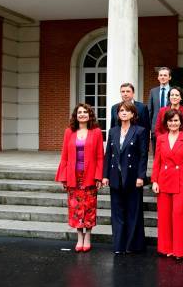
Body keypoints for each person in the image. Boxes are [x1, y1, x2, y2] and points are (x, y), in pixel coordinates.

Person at [55, 103, 103, 252]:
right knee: (75, 208)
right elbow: (64, 156)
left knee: (89, 208)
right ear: (76, 116)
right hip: (73, 176)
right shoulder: (69, 132)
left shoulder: (96, 132)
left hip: (89, 176)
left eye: (85, 112)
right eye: (79, 112)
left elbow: (100, 157)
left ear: (90, 115)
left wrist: (98, 177)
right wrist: (63, 177)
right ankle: (79, 237)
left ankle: (87, 237)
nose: (82, 114)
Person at [102, 101, 148, 254]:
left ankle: (132, 246)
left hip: (133, 177)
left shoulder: (140, 131)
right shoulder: (113, 131)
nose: (123, 113)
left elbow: (143, 156)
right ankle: (119, 246)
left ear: (133, 114)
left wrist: (141, 176)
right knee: (117, 213)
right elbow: (108, 155)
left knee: (133, 212)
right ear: (118, 114)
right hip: (115, 177)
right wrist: (105, 175)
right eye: (121, 110)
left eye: (127, 111)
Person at [152, 109, 183, 260]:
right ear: (166, 123)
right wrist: (154, 181)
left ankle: (179, 250)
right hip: (163, 179)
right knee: (164, 217)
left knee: (179, 215)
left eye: (176, 120)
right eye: (170, 121)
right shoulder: (161, 139)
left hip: (181, 181)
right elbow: (157, 161)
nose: (173, 123)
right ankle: (165, 248)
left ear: (181, 122)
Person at [148, 67, 172, 153]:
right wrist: (150, 128)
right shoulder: (153, 91)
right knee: (156, 153)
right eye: (161, 75)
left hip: (171, 126)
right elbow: (150, 111)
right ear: (158, 77)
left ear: (169, 77)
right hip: (156, 128)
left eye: (165, 75)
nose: (162, 77)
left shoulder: (174, 91)